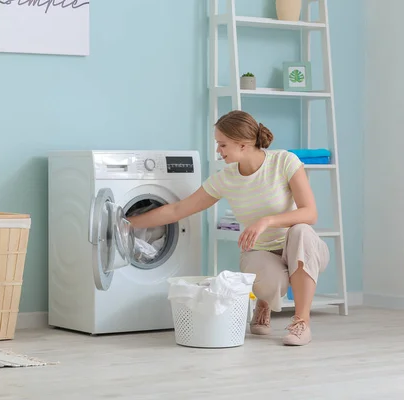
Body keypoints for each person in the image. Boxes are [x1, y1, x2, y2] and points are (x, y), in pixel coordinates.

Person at [127, 110, 329, 346]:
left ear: (243, 145)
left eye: (222, 144)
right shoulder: (225, 179)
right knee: (269, 279)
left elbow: (310, 213)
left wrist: (267, 221)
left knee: (300, 230)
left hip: (302, 249)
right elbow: (177, 210)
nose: (218, 151)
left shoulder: (284, 162)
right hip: (260, 253)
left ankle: (301, 323)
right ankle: (263, 303)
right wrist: (126, 223)